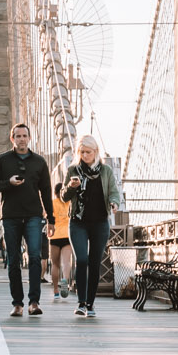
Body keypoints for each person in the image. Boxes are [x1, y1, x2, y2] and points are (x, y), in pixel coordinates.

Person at [0, 121, 54, 318]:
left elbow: (47, 192)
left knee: (34, 257)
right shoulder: (2, 160)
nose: (21, 139)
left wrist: (51, 219)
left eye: (25, 136)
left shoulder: (39, 162)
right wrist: (9, 183)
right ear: (12, 138)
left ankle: (34, 302)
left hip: (33, 215)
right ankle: (17, 304)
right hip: (10, 216)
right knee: (13, 260)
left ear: (29, 138)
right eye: (18, 136)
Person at [58, 134, 122, 319]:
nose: (84, 155)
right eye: (81, 152)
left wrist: (114, 203)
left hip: (100, 222)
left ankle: (91, 304)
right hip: (78, 222)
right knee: (82, 260)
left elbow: (113, 192)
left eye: (88, 152)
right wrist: (71, 186)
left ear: (96, 152)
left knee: (95, 263)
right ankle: (81, 303)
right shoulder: (73, 170)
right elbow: (64, 197)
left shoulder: (106, 171)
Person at [48, 178, 72, 298]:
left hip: (54, 235)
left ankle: (56, 290)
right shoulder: (69, 203)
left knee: (55, 264)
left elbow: (46, 216)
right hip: (67, 235)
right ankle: (65, 280)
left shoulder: (52, 203)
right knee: (66, 262)